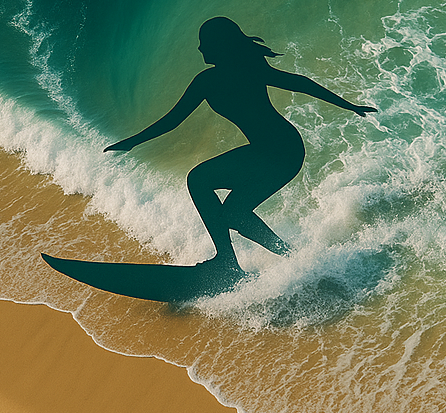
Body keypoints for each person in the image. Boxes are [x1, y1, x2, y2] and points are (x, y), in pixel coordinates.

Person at [105, 17, 376, 274]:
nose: (199, 47)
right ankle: (299, 261)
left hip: (282, 150)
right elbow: (173, 120)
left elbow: (298, 83)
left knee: (199, 180)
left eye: (204, 42)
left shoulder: (236, 72)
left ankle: (226, 261)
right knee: (235, 213)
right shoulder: (215, 78)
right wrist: (131, 143)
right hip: (277, 151)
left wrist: (349, 106)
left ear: (219, 45)